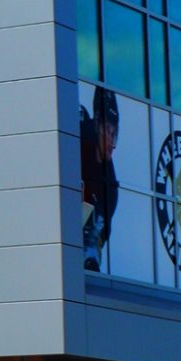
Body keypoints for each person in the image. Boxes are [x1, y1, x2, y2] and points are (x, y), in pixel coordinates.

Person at [80, 87, 121, 272]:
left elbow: (100, 232)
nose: (111, 141)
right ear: (97, 125)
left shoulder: (110, 188)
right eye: (107, 131)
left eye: (114, 134)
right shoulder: (76, 141)